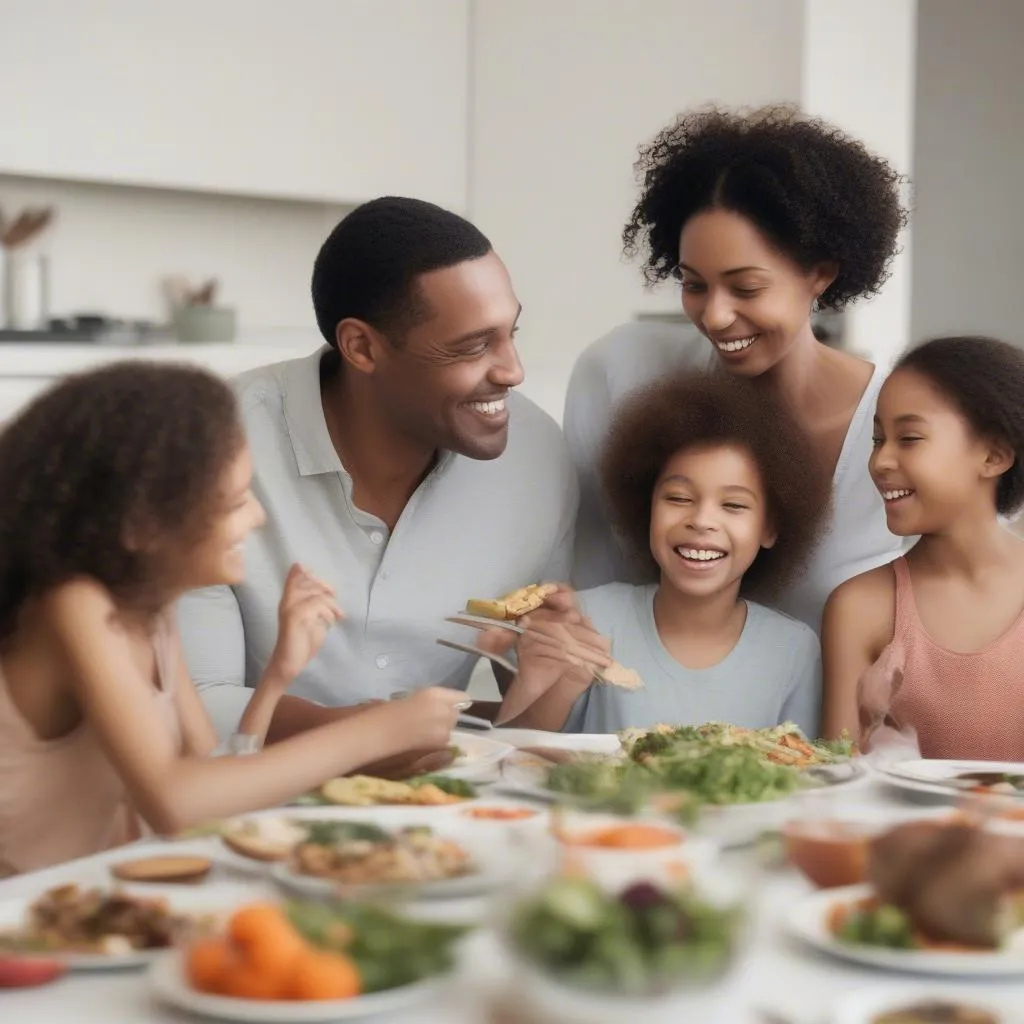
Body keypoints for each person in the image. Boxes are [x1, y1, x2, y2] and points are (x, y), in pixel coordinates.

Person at [0, 363, 465, 875]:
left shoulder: (149, 608)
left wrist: (275, 680)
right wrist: (374, 733)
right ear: (141, 525)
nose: (257, 517)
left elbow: (210, 785)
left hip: (97, 904)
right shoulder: (76, 603)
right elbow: (176, 805)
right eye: (235, 502)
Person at [176, 198, 576, 751]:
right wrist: (365, 736)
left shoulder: (537, 458)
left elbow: (511, 713)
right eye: (473, 345)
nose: (514, 370)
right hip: (236, 801)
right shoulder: (208, 444)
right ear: (362, 347)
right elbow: (194, 700)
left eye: (512, 332)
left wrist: (547, 669)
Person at [565, 105, 911, 632]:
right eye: (694, 284)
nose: (716, 315)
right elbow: (587, 588)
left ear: (820, 273)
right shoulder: (623, 371)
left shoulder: (906, 426)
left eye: (746, 288)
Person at [499, 372, 830, 736]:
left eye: (733, 505)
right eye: (679, 498)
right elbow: (518, 761)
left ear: (770, 528)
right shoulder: (588, 620)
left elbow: (805, 777)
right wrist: (537, 681)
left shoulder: (794, 650)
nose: (702, 521)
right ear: (647, 507)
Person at [822, 337, 1024, 759]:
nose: (880, 461)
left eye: (909, 438)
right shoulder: (861, 607)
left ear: (994, 455)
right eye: (878, 440)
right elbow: (838, 784)